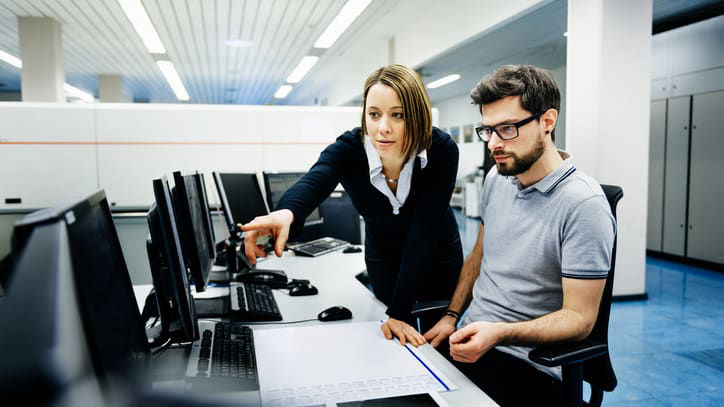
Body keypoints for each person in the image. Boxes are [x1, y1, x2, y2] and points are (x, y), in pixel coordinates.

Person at [422, 65, 616, 405]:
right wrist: (452, 316)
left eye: (507, 129)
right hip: (472, 346)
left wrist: (498, 333)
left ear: (548, 121)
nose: (494, 144)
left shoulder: (584, 204)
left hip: (532, 367)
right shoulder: (498, 179)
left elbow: (580, 320)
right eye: (488, 131)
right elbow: (479, 258)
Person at [241, 64, 463, 346]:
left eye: (398, 115)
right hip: (382, 254)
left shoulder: (441, 149)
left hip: (435, 253)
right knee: (391, 338)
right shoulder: (349, 148)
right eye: (374, 114)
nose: (383, 127)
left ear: (417, 115)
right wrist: (286, 212)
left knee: (434, 340)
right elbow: (315, 180)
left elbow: (425, 231)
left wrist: (399, 311)